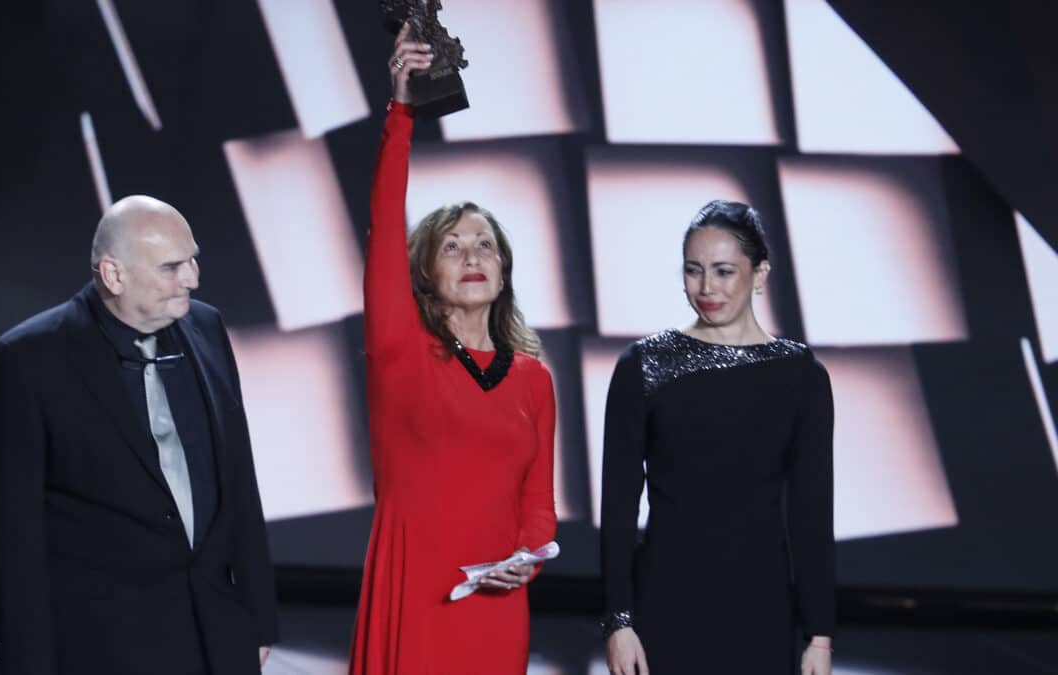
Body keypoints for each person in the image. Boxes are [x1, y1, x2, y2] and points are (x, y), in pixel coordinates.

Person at [0, 195, 278, 675]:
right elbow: (14, 536)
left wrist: (260, 619)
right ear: (114, 275)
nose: (193, 278)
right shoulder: (29, 359)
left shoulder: (206, 327)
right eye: (172, 267)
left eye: (193, 259)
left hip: (217, 634)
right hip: (104, 644)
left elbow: (238, 476)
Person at [347, 25, 558, 675]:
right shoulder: (399, 350)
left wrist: (529, 554)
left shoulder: (533, 379)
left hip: (495, 608)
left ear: (505, 270)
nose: (473, 255)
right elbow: (386, 221)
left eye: (485, 244)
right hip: (414, 599)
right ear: (423, 275)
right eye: (453, 245)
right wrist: (401, 111)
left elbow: (538, 502)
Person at [599, 200, 836, 675]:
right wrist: (618, 622)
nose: (706, 288)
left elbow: (811, 513)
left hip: (762, 608)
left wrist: (820, 634)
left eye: (724, 271)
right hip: (664, 605)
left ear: (760, 273)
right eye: (694, 270)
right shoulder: (644, 365)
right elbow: (618, 507)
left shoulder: (800, 374)